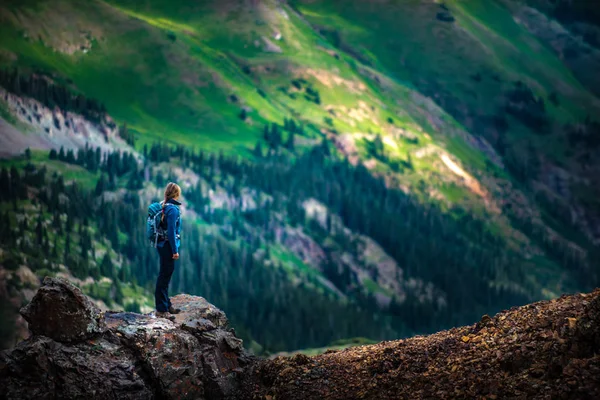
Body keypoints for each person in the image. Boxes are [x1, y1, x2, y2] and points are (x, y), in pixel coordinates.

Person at [155, 182, 183, 321]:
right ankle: (161, 309)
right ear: (176, 194)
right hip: (167, 246)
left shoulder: (164, 206)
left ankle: (167, 305)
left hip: (162, 244)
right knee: (164, 276)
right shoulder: (173, 210)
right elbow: (171, 231)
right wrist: (175, 250)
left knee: (165, 275)